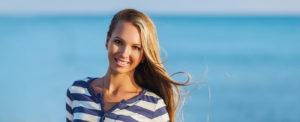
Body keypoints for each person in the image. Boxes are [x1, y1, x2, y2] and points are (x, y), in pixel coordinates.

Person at [66, 8, 189, 122]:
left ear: (144, 55)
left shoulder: (154, 107)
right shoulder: (77, 91)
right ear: (107, 41)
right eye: (118, 42)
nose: (124, 53)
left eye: (135, 47)